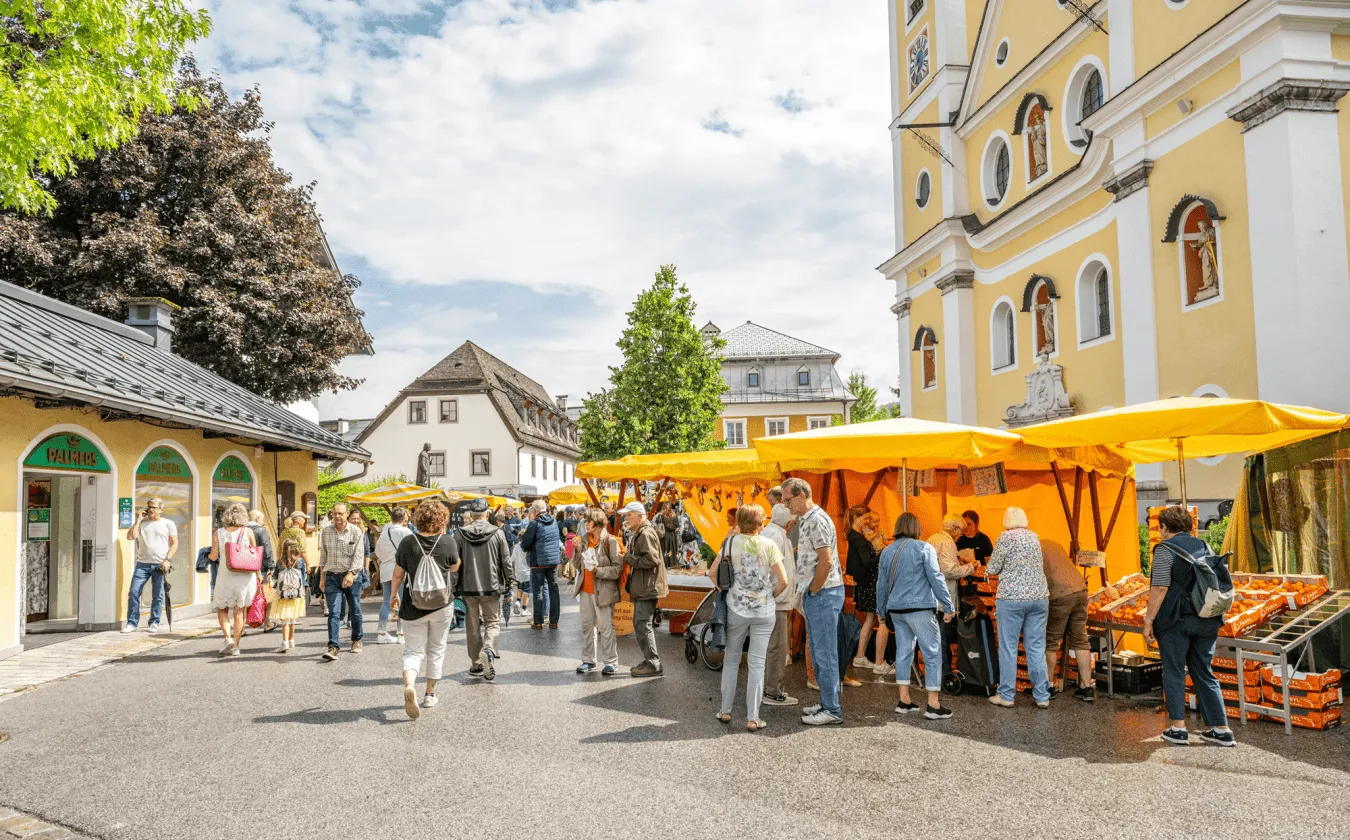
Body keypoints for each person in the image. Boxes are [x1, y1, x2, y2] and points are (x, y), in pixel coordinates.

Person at [1144, 506, 1235, 747]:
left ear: (1165, 527)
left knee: (1174, 671)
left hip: (1177, 620)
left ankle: (1178, 728)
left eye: (1160, 527)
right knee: (1204, 671)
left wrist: (1148, 620)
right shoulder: (1204, 546)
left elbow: (1160, 587)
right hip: (1208, 617)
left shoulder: (1164, 550)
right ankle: (1221, 729)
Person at [711, 505, 788, 731]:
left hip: (736, 608)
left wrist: (725, 591)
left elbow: (712, 573)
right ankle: (753, 718)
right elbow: (783, 581)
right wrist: (768, 597)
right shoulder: (769, 544)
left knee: (732, 660)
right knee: (757, 663)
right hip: (764, 611)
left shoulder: (730, 543)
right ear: (760, 522)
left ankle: (725, 711)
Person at [877, 512, 956, 719]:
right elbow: (936, 578)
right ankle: (933, 704)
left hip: (896, 610)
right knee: (932, 653)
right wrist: (948, 605)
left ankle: (904, 701)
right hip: (919, 608)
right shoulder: (924, 548)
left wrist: (881, 611)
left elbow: (881, 584)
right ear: (916, 528)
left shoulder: (887, 551)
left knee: (903, 653)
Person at [389, 499, 461, 718]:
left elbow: (398, 573)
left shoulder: (408, 542)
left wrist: (393, 596)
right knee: (437, 649)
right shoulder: (448, 542)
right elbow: (455, 565)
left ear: (418, 518)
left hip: (413, 604)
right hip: (441, 604)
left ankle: (410, 684)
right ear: (442, 519)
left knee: (412, 651)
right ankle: (429, 694)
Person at [782, 477, 845, 726]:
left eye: (788, 499)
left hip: (824, 593)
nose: (786, 504)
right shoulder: (810, 519)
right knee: (819, 651)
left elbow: (826, 561)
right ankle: (827, 703)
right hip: (822, 593)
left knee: (824, 652)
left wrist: (814, 590)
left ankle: (832, 709)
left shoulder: (816, 519)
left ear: (801, 495)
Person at [986, 507, 1051, 708]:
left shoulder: (1006, 538)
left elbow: (994, 567)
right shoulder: (1034, 537)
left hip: (1012, 598)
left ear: (1006, 521)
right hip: (1039, 597)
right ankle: (1042, 696)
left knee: (1008, 647)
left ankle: (1006, 695)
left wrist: (988, 569)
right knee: (1036, 647)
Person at [454, 497, 512, 680]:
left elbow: (454, 563)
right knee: (492, 623)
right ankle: (488, 649)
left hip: (468, 586)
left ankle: (477, 664)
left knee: (472, 626)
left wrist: (454, 586)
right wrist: (509, 582)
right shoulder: (497, 533)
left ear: (471, 515)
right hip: (491, 586)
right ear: (487, 514)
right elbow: (506, 561)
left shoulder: (460, 533)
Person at [1041, 538, 1095, 702]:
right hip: (1080, 590)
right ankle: (1087, 687)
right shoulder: (1055, 543)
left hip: (1060, 593)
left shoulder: (1034, 549)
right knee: (1080, 640)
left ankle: (1048, 686)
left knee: (1050, 642)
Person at [572, 509, 622, 675]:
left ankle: (611, 662)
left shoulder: (610, 541)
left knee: (606, 627)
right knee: (587, 626)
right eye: (586, 521)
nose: (586, 523)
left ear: (598, 524)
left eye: (589, 521)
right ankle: (588, 660)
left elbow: (617, 569)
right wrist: (577, 551)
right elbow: (576, 565)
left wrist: (598, 570)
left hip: (603, 591)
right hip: (585, 589)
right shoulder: (585, 540)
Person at [621, 501, 667, 677]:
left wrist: (629, 559)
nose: (625, 518)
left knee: (642, 624)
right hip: (645, 585)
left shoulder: (645, 533)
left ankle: (654, 664)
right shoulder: (642, 532)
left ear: (639, 517)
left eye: (628, 515)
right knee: (641, 624)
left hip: (647, 586)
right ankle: (650, 660)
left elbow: (652, 560)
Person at [207, 503, 259, 657]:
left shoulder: (219, 533)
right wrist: (259, 575)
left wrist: (206, 555)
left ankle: (227, 638)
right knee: (239, 611)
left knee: (222, 608)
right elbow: (254, 554)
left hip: (226, 574)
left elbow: (214, 556)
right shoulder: (248, 531)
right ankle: (236, 647)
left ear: (227, 516)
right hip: (245, 576)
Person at [930, 514, 977, 679]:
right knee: (941, 638)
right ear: (954, 528)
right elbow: (950, 571)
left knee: (935, 638)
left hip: (931, 595)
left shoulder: (933, 538)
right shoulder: (948, 542)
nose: (962, 534)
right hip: (942, 597)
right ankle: (944, 675)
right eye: (961, 530)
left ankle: (936, 673)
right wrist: (971, 567)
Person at [318, 502, 367, 661]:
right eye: (334, 513)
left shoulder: (355, 532)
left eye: (340, 513)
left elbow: (359, 557)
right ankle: (333, 647)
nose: (337, 517)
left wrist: (351, 574)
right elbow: (323, 558)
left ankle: (357, 639)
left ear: (347, 514)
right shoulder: (326, 532)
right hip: (332, 576)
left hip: (352, 576)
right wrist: (322, 578)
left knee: (355, 609)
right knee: (334, 612)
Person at [846, 506, 891, 678]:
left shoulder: (854, 536)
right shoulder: (859, 539)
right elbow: (869, 561)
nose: (868, 522)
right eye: (866, 518)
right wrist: (885, 552)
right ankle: (879, 663)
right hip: (872, 583)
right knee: (882, 619)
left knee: (870, 619)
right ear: (858, 517)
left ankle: (860, 656)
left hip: (866, 583)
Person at [761, 503, 798, 706]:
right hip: (777, 601)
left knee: (774, 647)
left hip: (775, 600)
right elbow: (774, 573)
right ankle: (772, 691)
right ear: (790, 522)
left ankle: (769, 689)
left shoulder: (771, 533)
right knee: (777, 647)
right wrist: (775, 595)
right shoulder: (777, 536)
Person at [123, 498, 178, 634]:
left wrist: (167, 560)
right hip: (142, 564)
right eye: (149, 507)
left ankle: (154, 622)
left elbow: (174, 543)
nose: (150, 509)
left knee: (157, 595)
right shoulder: (143, 523)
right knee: (134, 592)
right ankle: (132, 623)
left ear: (161, 509)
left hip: (160, 565)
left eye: (154, 507)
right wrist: (138, 520)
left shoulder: (168, 524)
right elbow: (130, 536)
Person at [521, 499, 563, 629]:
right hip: (553, 561)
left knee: (538, 591)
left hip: (538, 562)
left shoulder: (534, 524)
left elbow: (525, 544)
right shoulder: (554, 522)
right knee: (554, 590)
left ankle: (538, 622)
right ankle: (554, 621)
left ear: (534, 511)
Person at [375, 506, 413, 644]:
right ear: (403, 519)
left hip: (386, 569)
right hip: (401, 569)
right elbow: (413, 551)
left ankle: (381, 632)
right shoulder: (406, 532)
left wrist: (387, 560)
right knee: (402, 601)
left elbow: (378, 551)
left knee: (386, 601)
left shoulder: (384, 532)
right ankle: (401, 634)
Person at [272, 539, 307, 652]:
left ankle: (284, 642)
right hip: (296, 595)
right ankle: (291, 640)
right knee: (292, 619)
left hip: (283, 594)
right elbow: (303, 577)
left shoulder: (280, 562)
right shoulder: (300, 562)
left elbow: (275, 577)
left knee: (285, 620)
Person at [279, 511, 311, 606]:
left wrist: (280, 561)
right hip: (297, 561)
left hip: (284, 561)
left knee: (286, 586)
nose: (305, 520)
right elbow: (302, 551)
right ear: (298, 520)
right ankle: (295, 612)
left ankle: (286, 611)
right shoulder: (300, 532)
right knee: (298, 586)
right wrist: (308, 564)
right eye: (303, 518)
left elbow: (278, 549)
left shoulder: (284, 532)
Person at [657, 502, 680, 568]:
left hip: (672, 534)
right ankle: (665, 563)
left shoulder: (673, 514)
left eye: (669, 506)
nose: (668, 507)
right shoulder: (661, 514)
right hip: (665, 533)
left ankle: (670, 563)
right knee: (665, 548)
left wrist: (676, 528)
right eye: (666, 506)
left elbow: (677, 524)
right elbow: (659, 524)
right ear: (664, 506)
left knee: (671, 548)